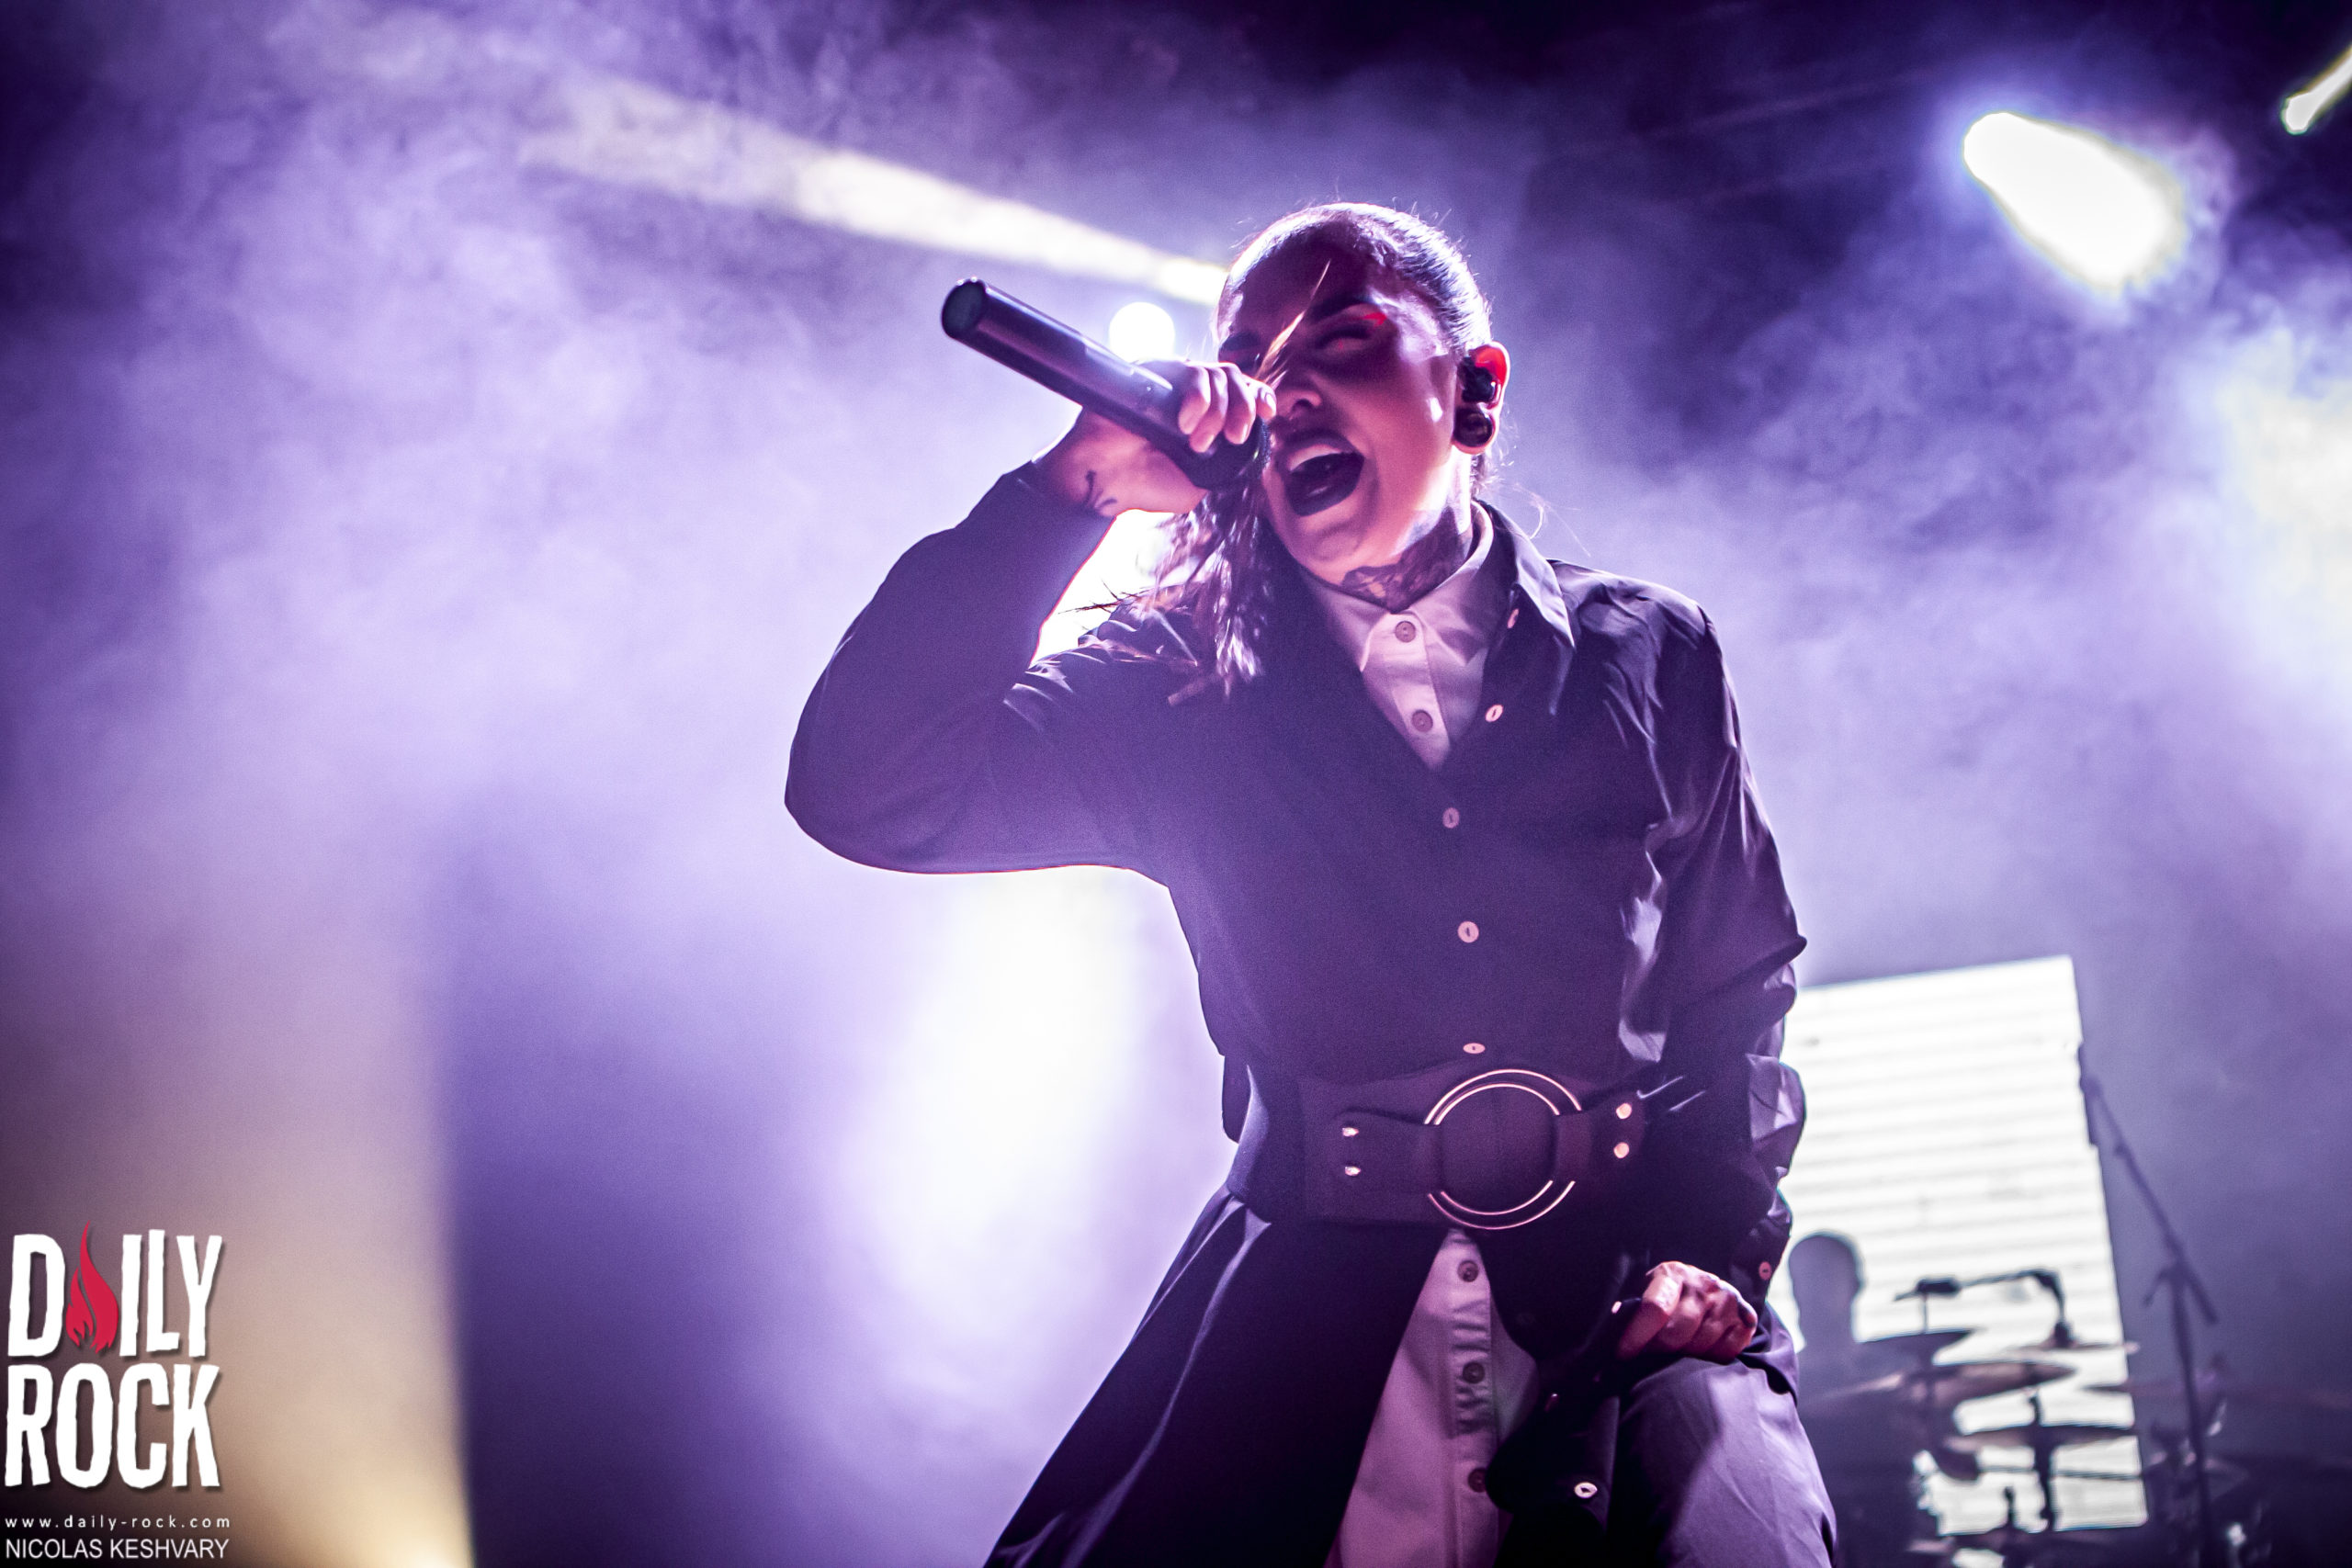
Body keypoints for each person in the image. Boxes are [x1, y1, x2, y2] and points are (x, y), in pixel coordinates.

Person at [789, 203, 1835, 1566]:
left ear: (1473, 393)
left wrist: (1713, 1246)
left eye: (1338, 341)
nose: (1281, 391)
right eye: (1250, 362)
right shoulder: (1172, 682)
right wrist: (1070, 493)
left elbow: (1739, 991)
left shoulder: (1651, 653)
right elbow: (866, 791)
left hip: (1623, 1316)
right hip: (1307, 1323)